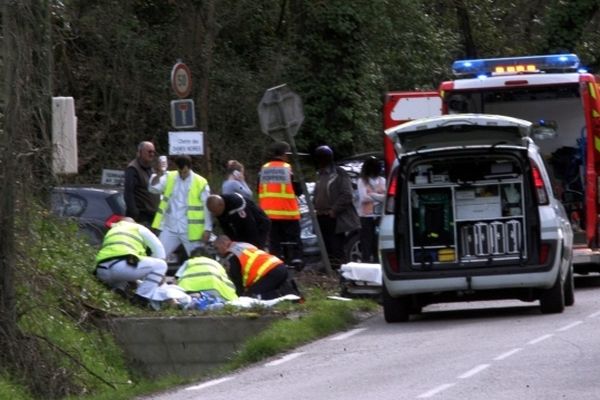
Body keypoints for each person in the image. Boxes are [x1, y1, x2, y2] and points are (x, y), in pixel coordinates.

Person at [149, 154, 214, 260]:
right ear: (176, 168)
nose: (182, 175)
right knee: (156, 257)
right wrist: (159, 174)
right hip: (171, 227)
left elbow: (206, 207)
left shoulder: (200, 182)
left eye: (185, 172)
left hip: (190, 230)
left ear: (190, 168)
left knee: (198, 260)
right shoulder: (170, 177)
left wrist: (207, 229)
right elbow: (152, 188)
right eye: (180, 172)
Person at [94, 217, 167, 303]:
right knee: (161, 265)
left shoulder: (112, 231)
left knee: (126, 273)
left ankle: (119, 289)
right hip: (120, 268)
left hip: (101, 271)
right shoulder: (137, 227)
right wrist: (160, 275)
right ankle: (141, 298)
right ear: (134, 222)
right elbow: (158, 247)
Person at [312, 145, 360, 267]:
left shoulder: (339, 174)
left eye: (322, 158)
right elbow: (317, 193)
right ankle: (329, 268)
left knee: (336, 246)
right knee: (326, 246)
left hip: (334, 217)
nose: (320, 161)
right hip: (321, 215)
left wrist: (334, 210)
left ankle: (339, 269)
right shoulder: (320, 174)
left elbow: (347, 195)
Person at [213, 235, 300, 300]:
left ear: (224, 243)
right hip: (279, 265)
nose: (217, 252)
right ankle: (294, 296)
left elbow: (237, 281)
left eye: (217, 248)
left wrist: (238, 298)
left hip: (268, 272)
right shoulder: (243, 245)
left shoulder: (231, 256)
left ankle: (281, 295)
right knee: (268, 287)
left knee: (251, 297)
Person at [258, 141, 303, 265]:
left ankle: (276, 262)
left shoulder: (264, 169)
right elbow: (298, 190)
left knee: (274, 242)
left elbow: (259, 189)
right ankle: (294, 260)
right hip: (288, 212)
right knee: (292, 240)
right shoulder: (287, 169)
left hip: (268, 213)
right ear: (284, 154)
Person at [206, 193, 270, 249]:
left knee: (255, 248)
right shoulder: (217, 207)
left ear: (221, 205)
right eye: (212, 212)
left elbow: (250, 227)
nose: (214, 214)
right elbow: (226, 228)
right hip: (241, 225)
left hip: (258, 224)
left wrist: (251, 247)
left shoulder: (238, 204)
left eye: (215, 212)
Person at [124, 141, 161, 227]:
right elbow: (128, 193)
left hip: (152, 216)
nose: (152, 154)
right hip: (141, 217)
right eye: (149, 151)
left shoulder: (150, 168)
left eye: (153, 152)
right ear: (139, 153)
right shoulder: (133, 169)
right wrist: (134, 213)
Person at [357, 157, 386, 262]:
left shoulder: (383, 180)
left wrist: (372, 195)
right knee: (366, 243)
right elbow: (363, 198)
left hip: (379, 216)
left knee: (377, 243)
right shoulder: (362, 181)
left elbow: (386, 197)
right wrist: (379, 196)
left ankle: (378, 262)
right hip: (366, 216)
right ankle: (366, 262)